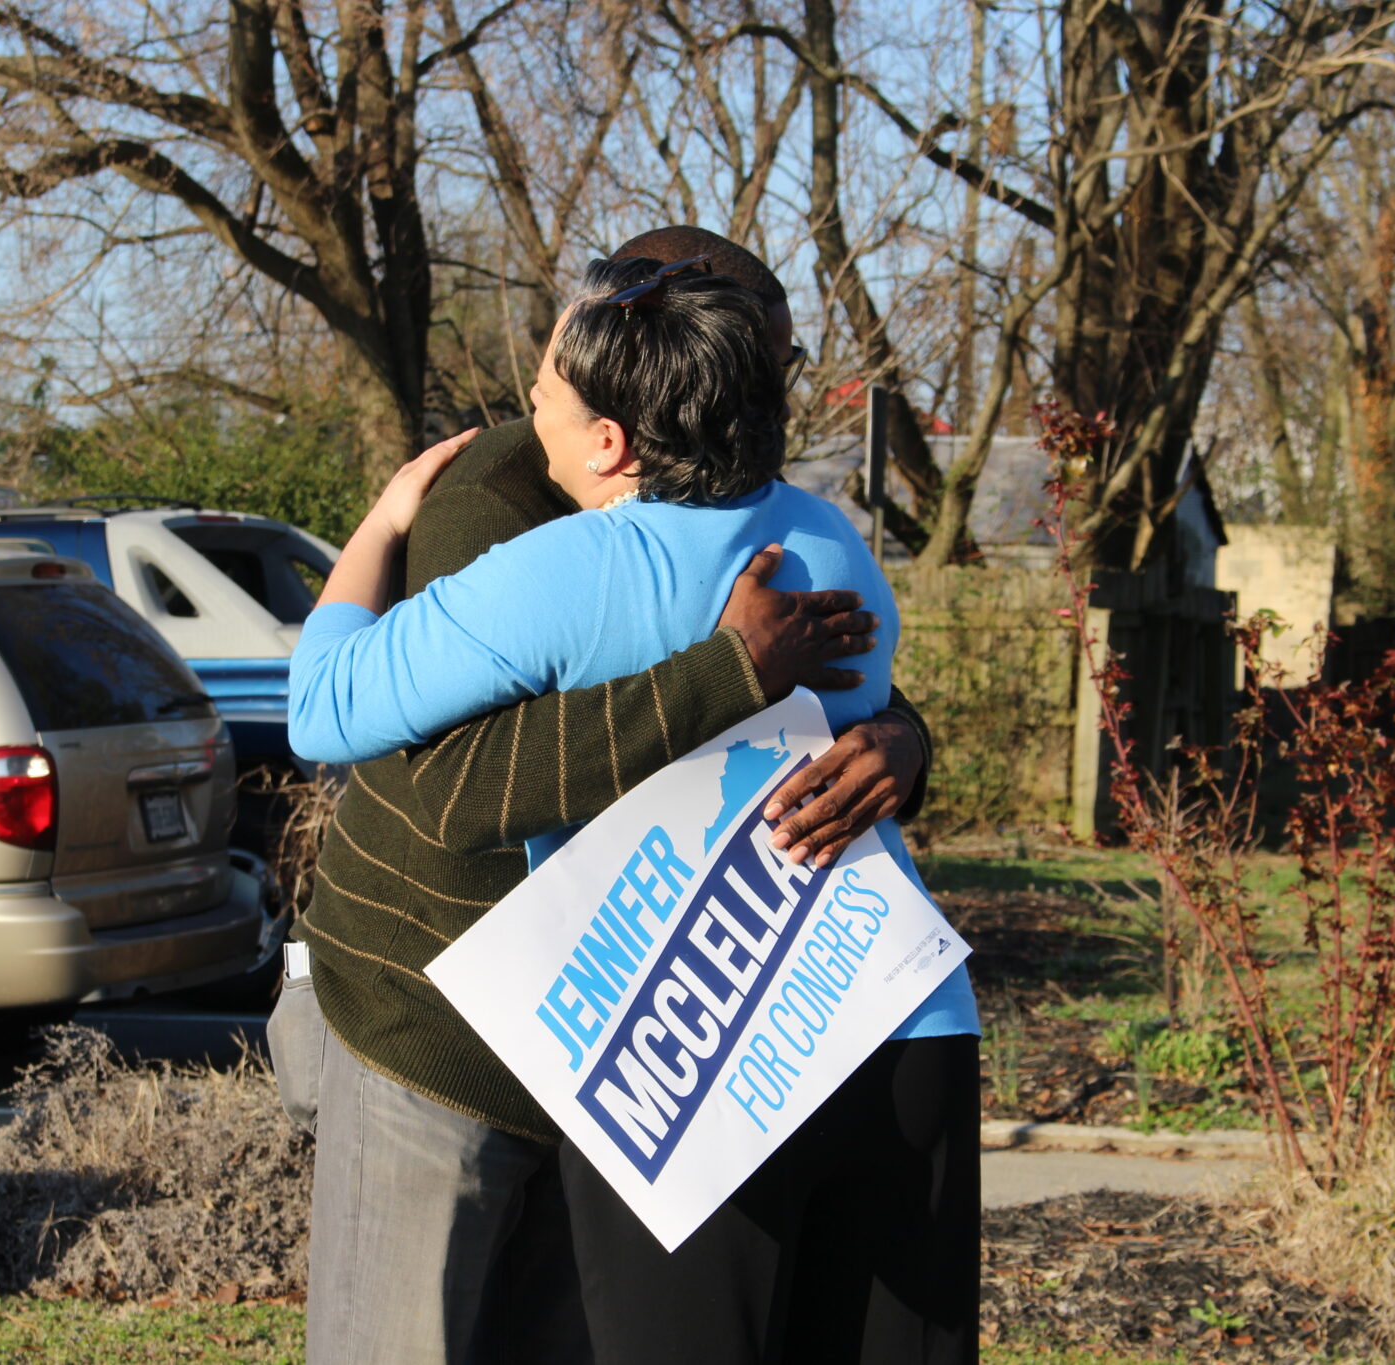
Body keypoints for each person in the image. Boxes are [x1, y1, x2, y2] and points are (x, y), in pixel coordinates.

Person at [270, 229, 950, 1365]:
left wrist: (899, 742)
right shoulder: (490, 508)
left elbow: (830, 671)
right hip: (439, 1032)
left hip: (639, 1055)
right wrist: (722, 673)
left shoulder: (769, 520)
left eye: (763, 370)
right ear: (632, 402)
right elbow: (452, 786)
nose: (752, 403)